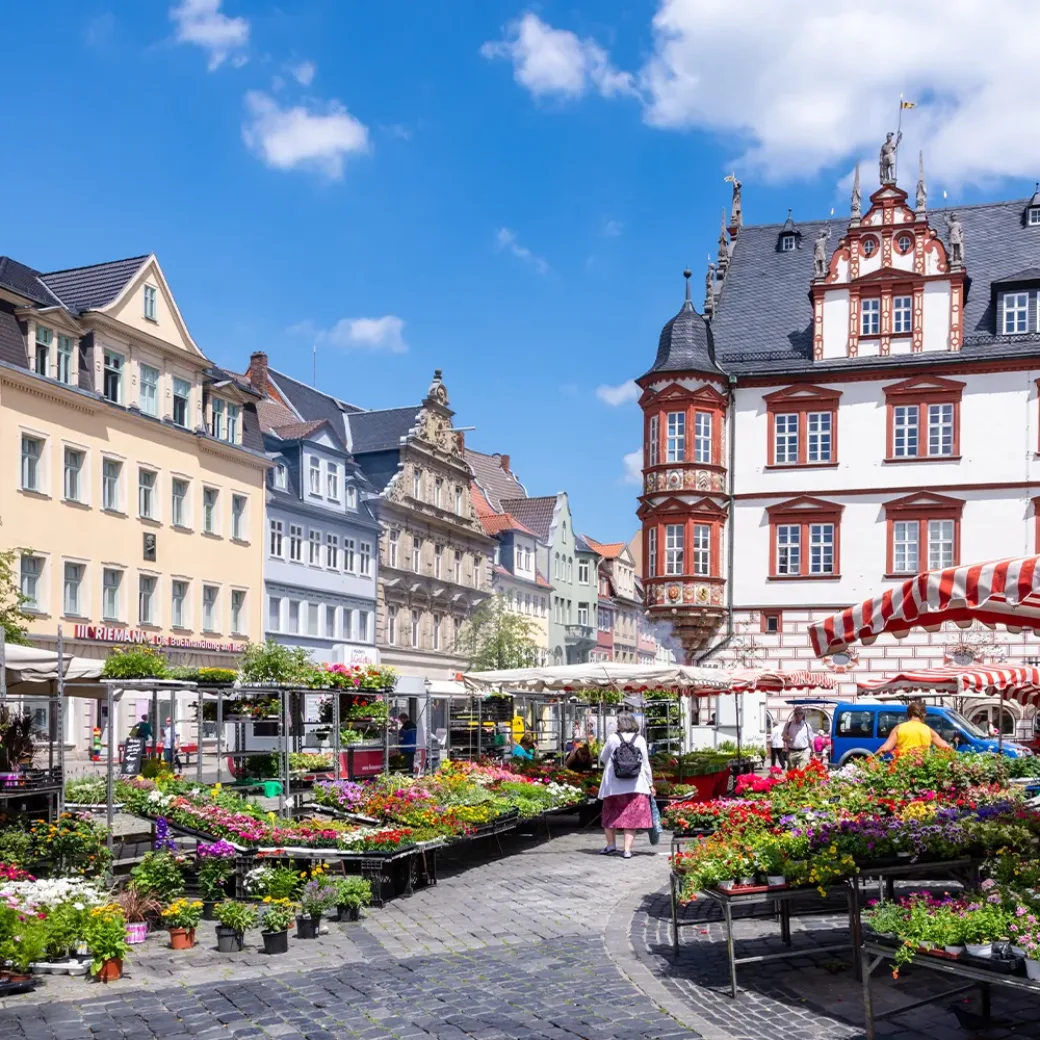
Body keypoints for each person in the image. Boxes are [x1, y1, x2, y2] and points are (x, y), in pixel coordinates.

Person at [598, 713, 654, 860]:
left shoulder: (612, 738)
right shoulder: (640, 739)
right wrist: (650, 783)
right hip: (636, 784)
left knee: (610, 814)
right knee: (631, 818)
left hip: (613, 785)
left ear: (619, 724)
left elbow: (603, 758)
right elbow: (646, 763)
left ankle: (611, 845)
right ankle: (627, 850)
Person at [876, 699, 952, 756]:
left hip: (902, 769)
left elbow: (885, 748)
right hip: (922, 769)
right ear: (924, 714)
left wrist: (871, 761)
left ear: (908, 714)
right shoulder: (928, 730)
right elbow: (946, 748)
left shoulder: (898, 729)